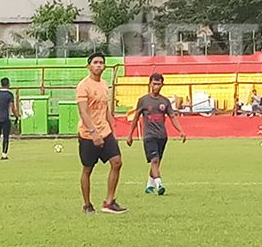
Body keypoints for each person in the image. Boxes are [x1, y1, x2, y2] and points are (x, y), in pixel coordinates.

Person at [76, 52, 126, 214]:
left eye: (101, 62)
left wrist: (113, 128)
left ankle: (109, 201)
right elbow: (83, 112)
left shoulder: (104, 85)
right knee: (88, 169)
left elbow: (106, 110)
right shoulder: (83, 86)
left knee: (117, 162)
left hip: (105, 132)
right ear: (89, 66)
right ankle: (87, 204)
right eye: (95, 62)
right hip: (88, 134)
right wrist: (93, 132)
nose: (98, 65)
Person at [127, 73, 186, 195]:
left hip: (162, 136)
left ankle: (149, 185)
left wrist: (180, 130)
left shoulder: (164, 101)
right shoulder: (143, 100)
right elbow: (136, 117)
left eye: (159, 84)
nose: (156, 86)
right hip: (149, 136)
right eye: (154, 84)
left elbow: (172, 117)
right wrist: (130, 135)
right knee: (154, 160)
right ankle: (159, 184)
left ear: (162, 85)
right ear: (150, 84)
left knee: (157, 161)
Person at [0, 77, 20, 160]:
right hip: (6, 118)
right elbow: (12, 107)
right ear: (8, 84)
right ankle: (4, 154)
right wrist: (16, 116)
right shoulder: (9, 95)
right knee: (6, 137)